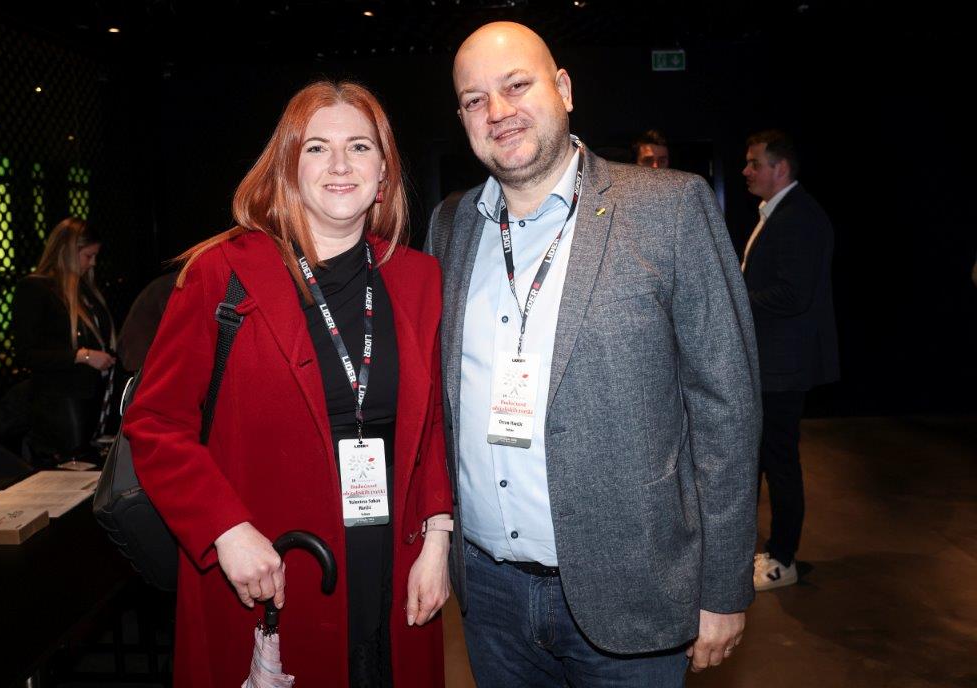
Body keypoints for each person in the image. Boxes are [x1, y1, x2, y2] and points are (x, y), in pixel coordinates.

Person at [426, 22, 761, 687]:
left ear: (564, 89)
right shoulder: (451, 225)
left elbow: (726, 409)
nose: (498, 111)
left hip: (634, 590)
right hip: (489, 595)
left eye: (516, 85)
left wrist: (724, 585)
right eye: (474, 99)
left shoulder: (670, 209)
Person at [124, 81, 453, 688]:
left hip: (394, 569)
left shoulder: (419, 279)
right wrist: (224, 529)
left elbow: (432, 425)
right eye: (316, 148)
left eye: (359, 146)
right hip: (269, 571)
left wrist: (437, 542)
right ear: (288, 168)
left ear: (384, 172)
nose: (339, 165)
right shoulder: (221, 273)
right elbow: (155, 423)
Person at [741, 129, 839, 591]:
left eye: (754, 163)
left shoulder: (799, 216)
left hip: (783, 366)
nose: (746, 171)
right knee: (769, 456)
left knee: (780, 461)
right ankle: (773, 551)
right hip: (773, 363)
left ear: (779, 168)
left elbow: (793, 294)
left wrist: (734, 296)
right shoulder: (780, 212)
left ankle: (783, 559)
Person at [13, 217, 116, 464]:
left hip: (95, 404)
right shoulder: (36, 289)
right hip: (61, 407)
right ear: (69, 252)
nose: (92, 263)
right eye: (88, 256)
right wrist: (82, 356)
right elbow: (26, 354)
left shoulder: (85, 290)